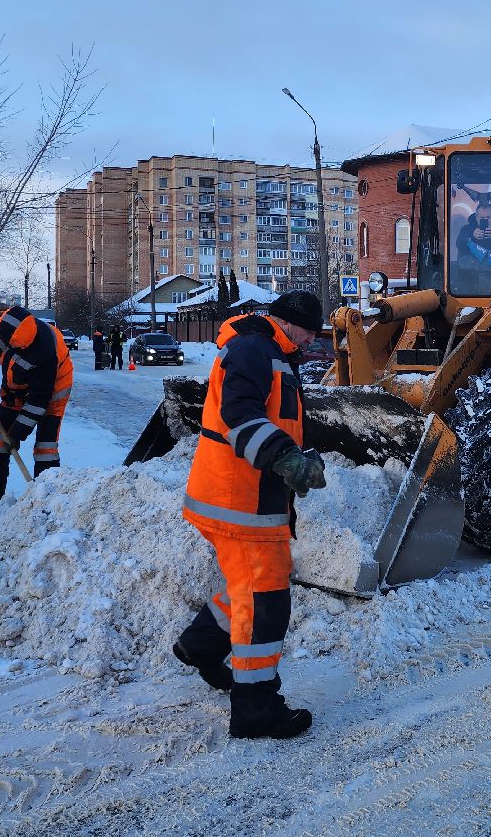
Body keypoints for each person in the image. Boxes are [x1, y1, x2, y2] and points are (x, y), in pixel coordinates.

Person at [173, 289, 326, 740]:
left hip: (243, 499)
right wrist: (285, 457)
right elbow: (240, 414)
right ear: (290, 323)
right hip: (240, 501)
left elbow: (269, 417)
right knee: (265, 604)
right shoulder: (256, 349)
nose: (309, 342)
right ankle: (256, 709)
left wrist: (294, 452)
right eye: (308, 333)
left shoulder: (269, 350)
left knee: (249, 588)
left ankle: (201, 646)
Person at [0, 306, 73, 518]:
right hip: (15, 390)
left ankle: (47, 503)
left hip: (53, 389)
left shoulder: (45, 353)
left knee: (45, 447)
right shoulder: (8, 325)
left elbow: (38, 402)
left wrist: (16, 434)